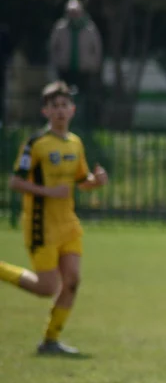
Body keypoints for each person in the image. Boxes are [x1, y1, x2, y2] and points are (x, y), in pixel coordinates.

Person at [0, 82, 108, 355]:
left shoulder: (75, 143)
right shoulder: (36, 144)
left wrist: (97, 182)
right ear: (45, 111)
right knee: (47, 287)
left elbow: (81, 180)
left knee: (72, 281)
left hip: (68, 224)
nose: (60, 111)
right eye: (54, 106)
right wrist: (48, 191)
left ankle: (50, 341)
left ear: (72, 110)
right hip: (41, 226)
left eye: (64, 106)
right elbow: (15, 182)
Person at [48, 0, 103, 129]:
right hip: (65, 68)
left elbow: (97, 49)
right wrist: (57, 62)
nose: (73, 15)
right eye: (70, 12)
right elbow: (53, 47)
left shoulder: (89, 28)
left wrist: (94, 64)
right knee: (63, 97)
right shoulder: (60, 27)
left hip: (84, 69)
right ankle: (64, 123)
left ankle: (87, 124)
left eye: (75, 12)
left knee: (86, 97)